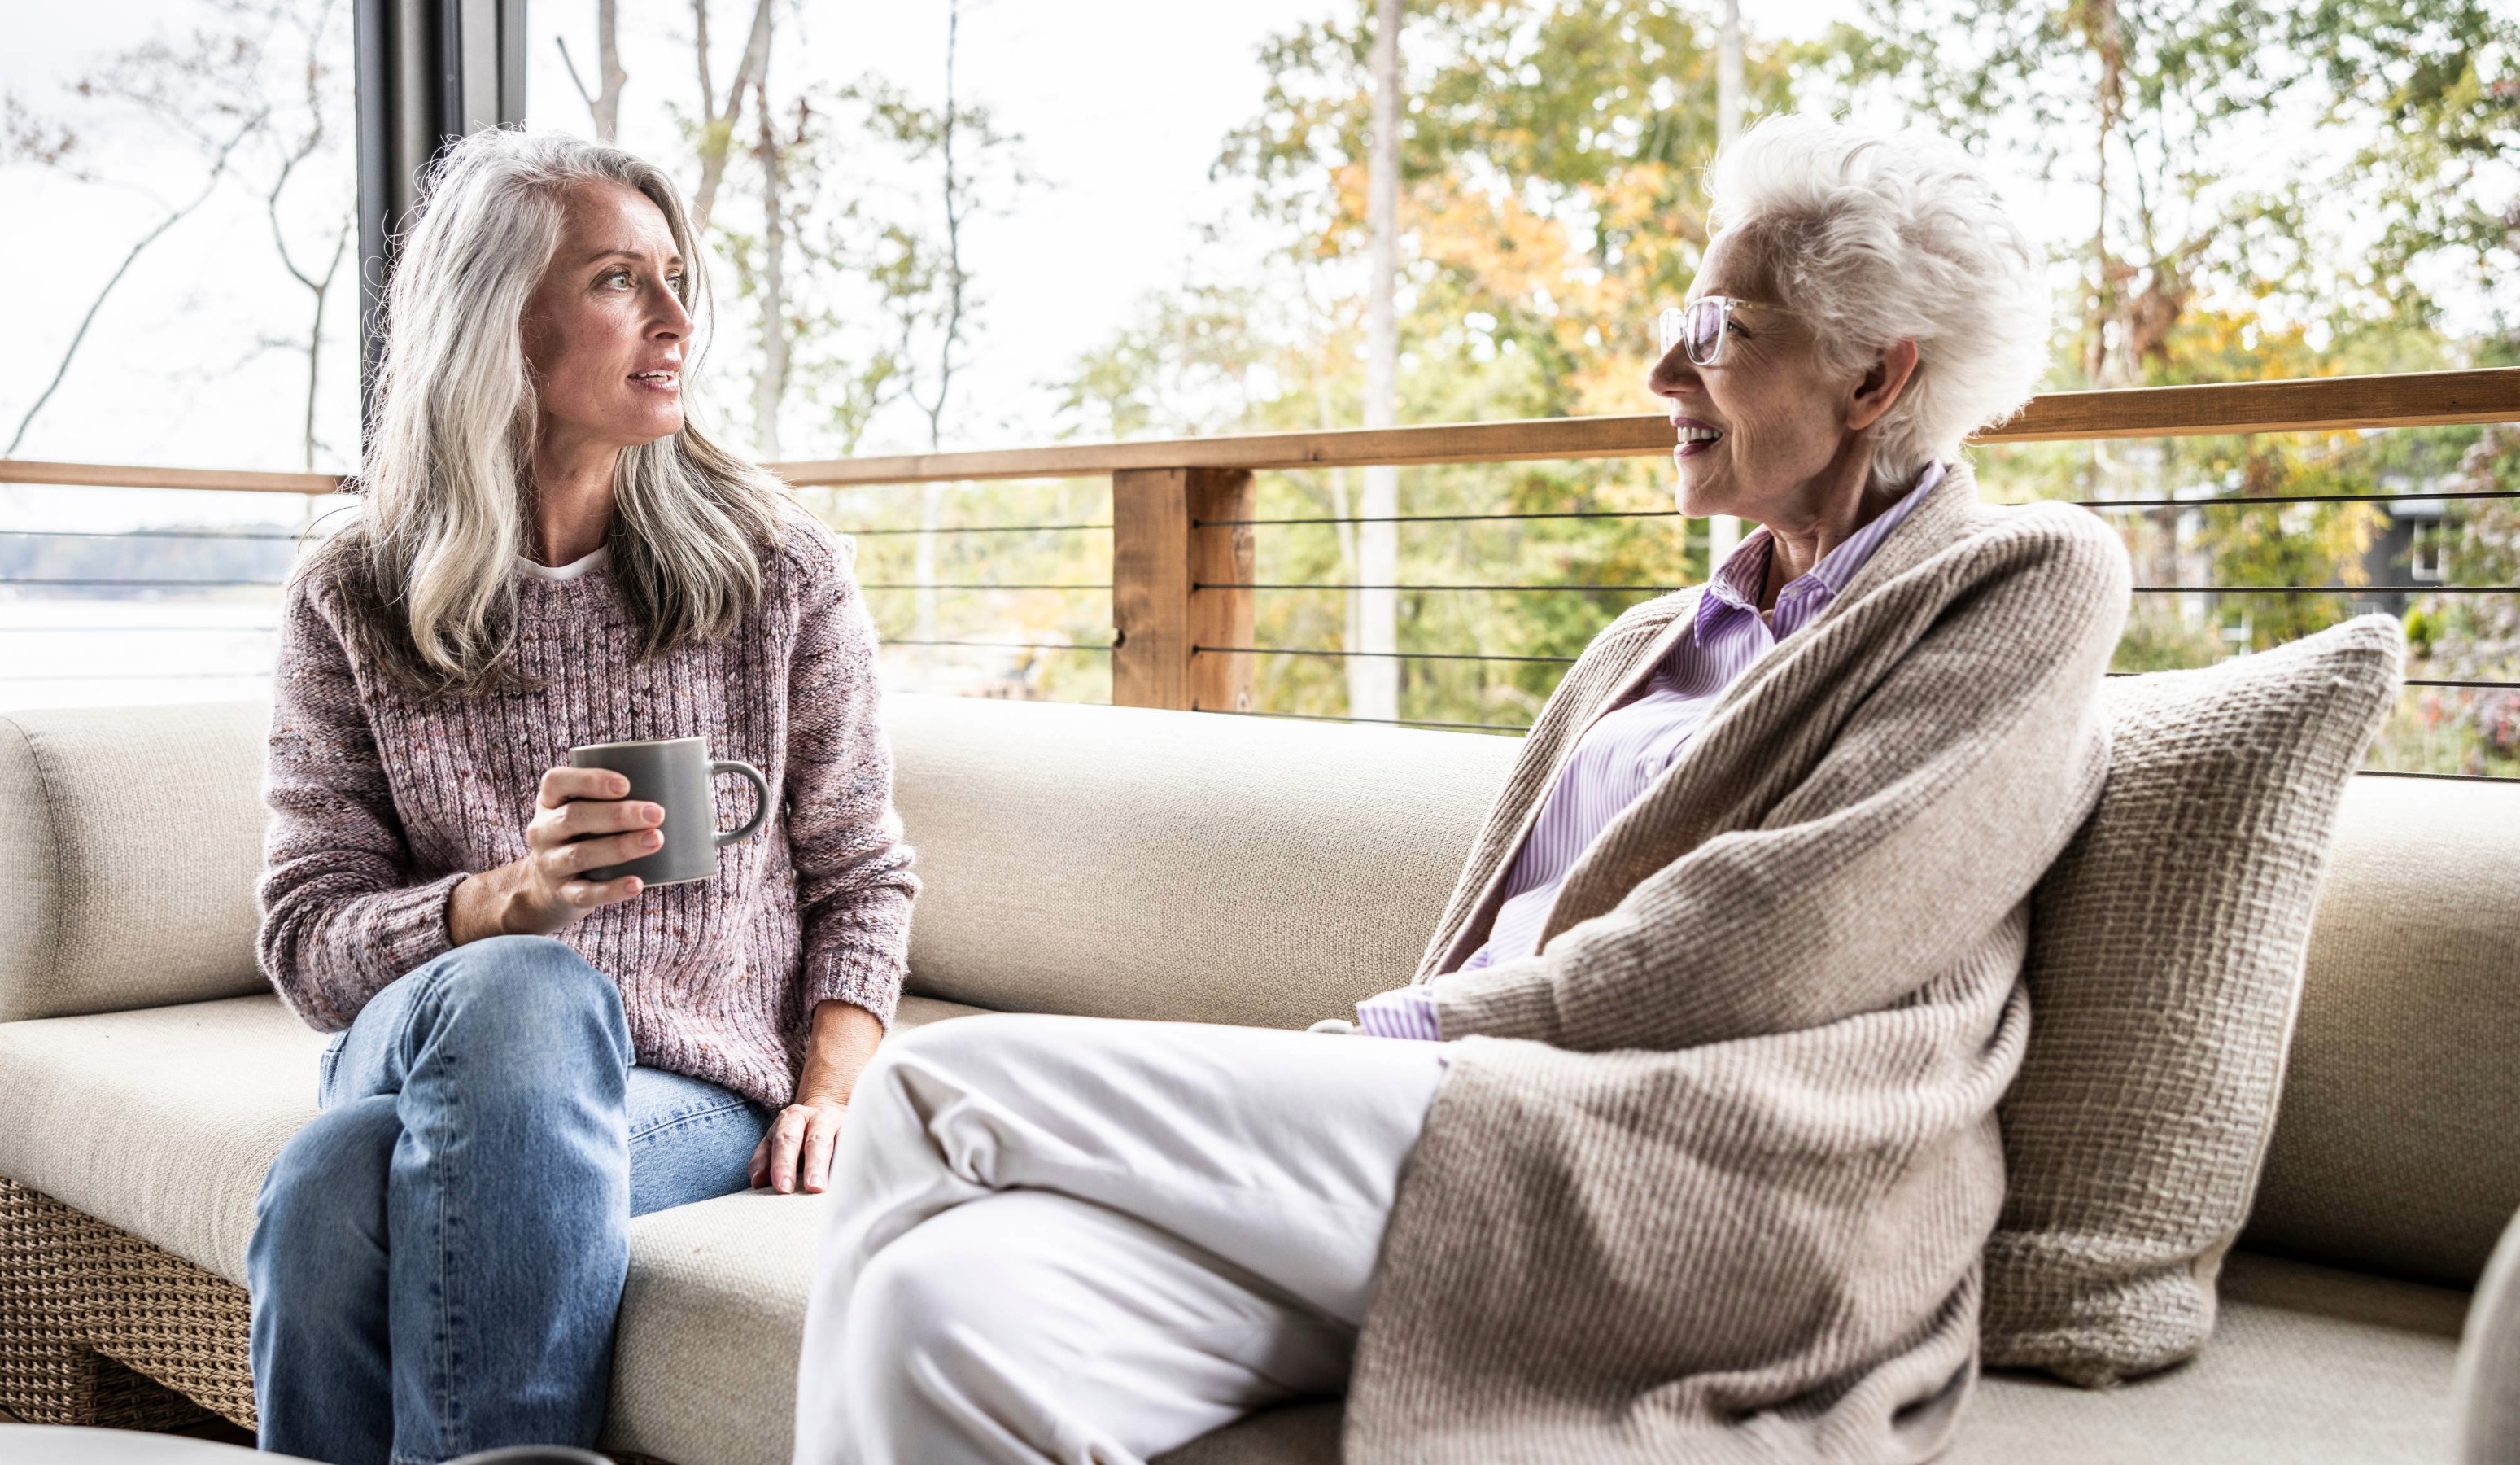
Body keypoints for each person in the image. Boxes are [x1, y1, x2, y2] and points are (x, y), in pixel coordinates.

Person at [791, 113, 2132, 1465]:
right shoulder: (1646, 646)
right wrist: (1437, 1035)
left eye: (1722, 330)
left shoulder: (2018, 580)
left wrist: (1426, 1024)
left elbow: (1808, 921)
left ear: (1874, 378)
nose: (1667, 366)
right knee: (939, 1309)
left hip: (1710, 1172)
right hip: (1489, 1129)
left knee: (930, 1090)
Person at [247, 129, 917, 1465]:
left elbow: (862, 876)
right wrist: (515, 899)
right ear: (499, 319)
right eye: (622, 281)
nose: (676, 322)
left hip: (686, 1087)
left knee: (333, 1189)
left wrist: (832, 1091)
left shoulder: (775, 573)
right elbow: (311, 944)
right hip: (423, 1032)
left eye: (678, 280)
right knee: (528, 988)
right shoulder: (355, 596)